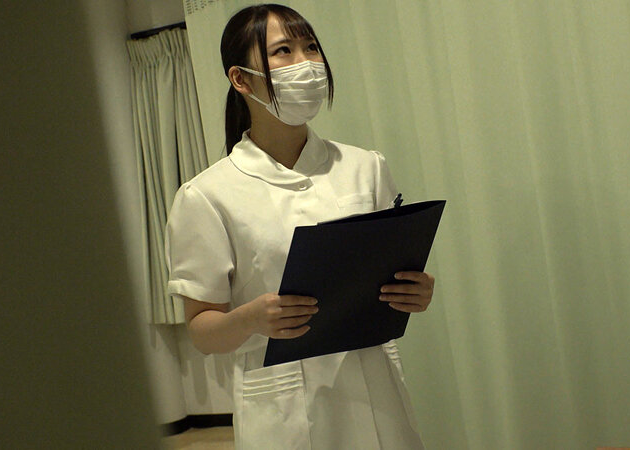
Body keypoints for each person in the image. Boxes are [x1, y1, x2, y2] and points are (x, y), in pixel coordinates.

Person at [165, 4, 433, 449]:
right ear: (241, 79)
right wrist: (251, 318)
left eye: (311, 47)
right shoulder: (206, 196)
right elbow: (201, 331)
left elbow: (389, 274)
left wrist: (415, 291)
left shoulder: (365, 167)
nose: (306, 63)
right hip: (285, 405)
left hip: (376, 391)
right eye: (283, 51)